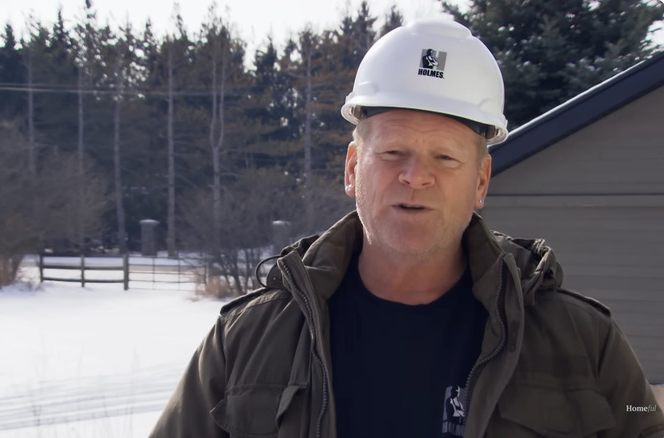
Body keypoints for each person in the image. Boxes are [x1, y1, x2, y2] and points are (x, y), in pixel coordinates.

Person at [151, 18, 664, 438]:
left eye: (445, 158)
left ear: (481, 181)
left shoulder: (582, 342)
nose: (416, 176)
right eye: (393, 151)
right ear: (353, 168)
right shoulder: (248, 341)